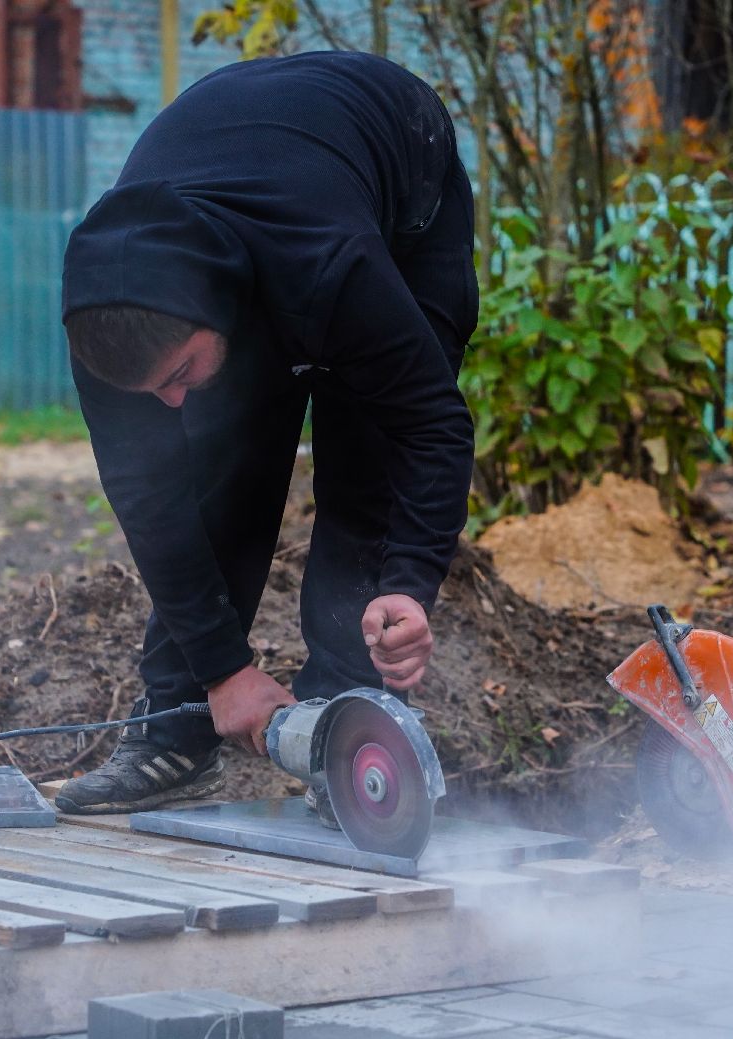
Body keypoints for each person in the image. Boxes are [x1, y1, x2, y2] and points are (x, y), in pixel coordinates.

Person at [53, 51, 478, 815]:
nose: (169, 402)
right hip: (266, 174)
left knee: (366, 459)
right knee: (221, 460)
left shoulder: (330, 269)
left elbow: (432, 425)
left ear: (218, 309)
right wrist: (222, 673)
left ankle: (346, 724)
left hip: (401, 180)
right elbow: (151, 500)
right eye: (153, 390)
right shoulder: (110, 325)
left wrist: (410, 584)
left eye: (179, 371)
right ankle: (177, 731)